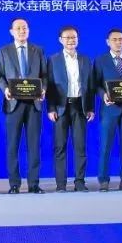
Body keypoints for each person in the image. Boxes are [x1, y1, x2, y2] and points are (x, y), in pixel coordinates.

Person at [0, 17, 48, 194]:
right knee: (12, 145)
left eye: (24, 28)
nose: (21, 31)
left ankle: (34, 184)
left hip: (34, 104)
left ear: (29, 30)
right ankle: (14, 184)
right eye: (18, 28)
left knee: (34, 145)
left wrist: (43, 89)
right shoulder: (3, 51)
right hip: (13, 104)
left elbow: (44, 75)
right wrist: (5, 89)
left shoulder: (38, 50)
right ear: (11, 32)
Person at [46, 25, 95, 192]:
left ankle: (79, 182)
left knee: (80, 146)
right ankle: (61, 184)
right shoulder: (53, 60)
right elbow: (50, 86)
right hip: (61, 107)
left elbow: (90, 86)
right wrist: (51, 108)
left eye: (74, 37)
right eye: (67, 37)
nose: (71, 40)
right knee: (60, 146)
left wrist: (90, 108)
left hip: (80, 106)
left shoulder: (85, 60)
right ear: (60, 40)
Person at [92, 28, 122, 192]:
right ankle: (103, 180)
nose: (118, 42)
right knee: (105, 146)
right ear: (108, 42)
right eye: (114, 39)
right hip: (109, 109)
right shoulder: (100, 60)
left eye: (120, 39)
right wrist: (103, 95)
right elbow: (96, 84)